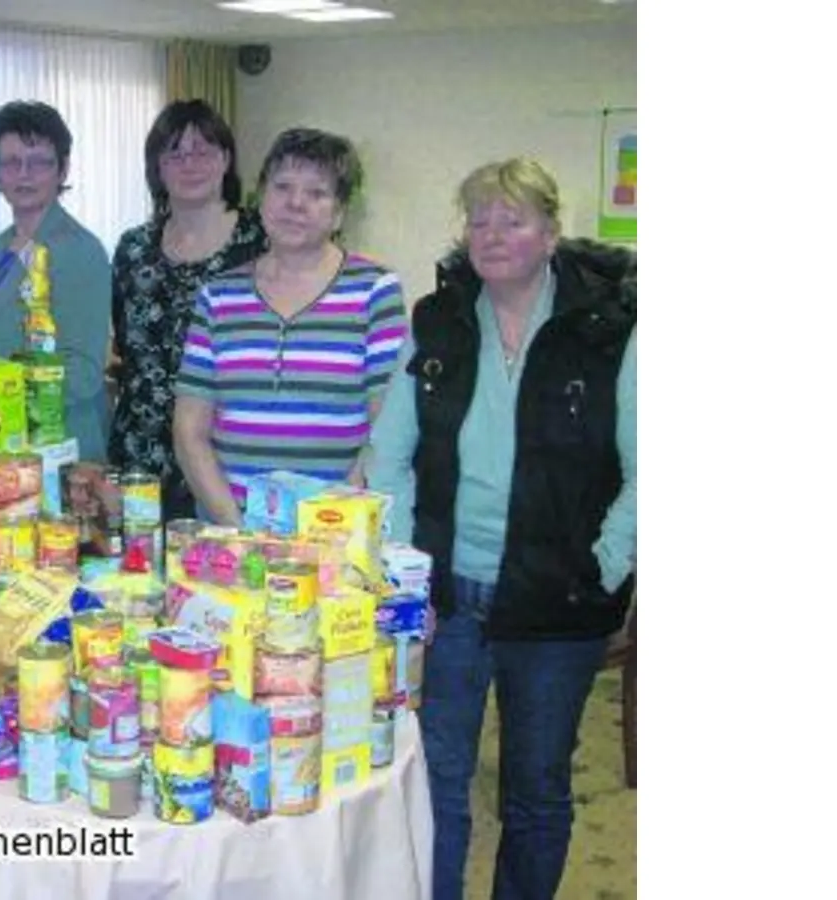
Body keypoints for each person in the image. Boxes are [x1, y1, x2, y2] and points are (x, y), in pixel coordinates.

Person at [367, 158, 637, 900]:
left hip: (557, 607)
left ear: (550, 232)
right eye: (478, 219)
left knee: (537, 788)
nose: (491, 234)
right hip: (448, 602)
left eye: (511, 219)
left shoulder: (610, 333)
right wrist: (402, 570)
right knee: (439, 778)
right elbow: (388, 454)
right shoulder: (437, 321)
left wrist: (603, 567)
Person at [173, 127, 407, 525]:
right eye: (282, 187)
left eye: (317, 193)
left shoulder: (375, 290)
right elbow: (189, 430)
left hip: (336, 536)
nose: (296, 203)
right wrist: (239, 530)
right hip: (232, 533)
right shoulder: (218, 295)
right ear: (260, 198)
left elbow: (386, 431)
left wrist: (329, 525)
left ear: (339, 212)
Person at [110, 99, 266, 521]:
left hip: (227, 452)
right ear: (156, 167)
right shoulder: (133, 248)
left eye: (203, 151)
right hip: (140, 452)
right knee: (138, 578)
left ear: (226, 160)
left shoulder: (262, 240)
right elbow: (126, 345)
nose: (189, 164)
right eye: (174, 153)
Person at [0, 100, 112, 462]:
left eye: (39, 162)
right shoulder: (3, 244)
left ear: (62, 170)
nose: (24, 174)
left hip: (57, 449)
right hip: (6, 442)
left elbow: (84, 372)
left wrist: (2, 395)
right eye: (11, 163)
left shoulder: (79, 250)